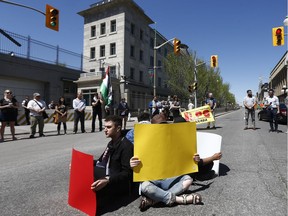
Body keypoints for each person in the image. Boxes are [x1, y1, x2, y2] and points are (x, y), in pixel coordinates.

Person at [130, 114, 202, 211]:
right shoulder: (143, 140)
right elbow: (134, 162)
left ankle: (154, 200)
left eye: (164, 124)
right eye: (159, 125)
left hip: (170, 177)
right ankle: (179, 199)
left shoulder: (174, 138)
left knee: (188, 180)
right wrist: (132, 164)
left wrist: (194, 159)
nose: (162, 127)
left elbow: (185, 155)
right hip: (151, 178)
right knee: (145, 187)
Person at [91, 115, 134, 208]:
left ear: (118, 128)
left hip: (116, 183)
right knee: (83, 169)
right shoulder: (111, 143)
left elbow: (127, 174)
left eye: (109, 127)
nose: (105, 130)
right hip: (107, 173)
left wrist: (107, 180)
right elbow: (101, 162)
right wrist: (81, 163)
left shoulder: (126, 146)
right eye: (105, 127)